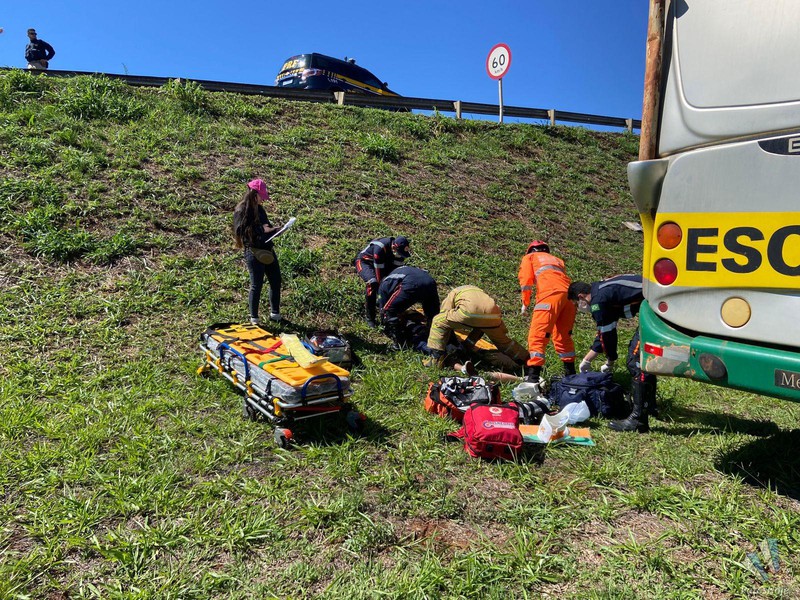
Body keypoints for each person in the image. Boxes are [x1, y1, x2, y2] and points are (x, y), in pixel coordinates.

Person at [567, 274, 657, 433]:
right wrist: (587, 360)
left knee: (636, 361)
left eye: (576, 304)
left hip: (657, 307)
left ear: (581, 297)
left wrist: (610, 360)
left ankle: (638, 418)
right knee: (643, 359)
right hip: (658, 303)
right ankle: (649, 406)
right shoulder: (601, 289)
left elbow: (608, 336)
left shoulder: (598, 302)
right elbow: (604, 332)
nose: (579, 308)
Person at [518, 240, 577, 391]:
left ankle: (533, 378)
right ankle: (571, 376)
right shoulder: (557, 260)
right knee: (563, 336)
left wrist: (525, 302)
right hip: (569, 298)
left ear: (530, 250)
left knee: (537, 336)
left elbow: (526, 281)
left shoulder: (530, 258)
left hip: (549, 296)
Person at [424, 285, 528, 368]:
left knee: (438, 321)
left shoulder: (453, 293)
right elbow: (480, 323)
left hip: (469, 313)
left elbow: (445, 316)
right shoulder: (477, 292)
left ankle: (436, 360)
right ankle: (527, 360)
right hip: (493, 314)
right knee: (504, 342)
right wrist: (468, 344)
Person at [233, 179, 283, 325]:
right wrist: (262, 229)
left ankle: (275, 314)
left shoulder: (260, 209)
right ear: (254, 194)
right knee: (257, 285)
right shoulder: (241, 210)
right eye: (262, 196)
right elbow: (239, 231)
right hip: (253, 251)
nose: (263, 200)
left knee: (276, 280)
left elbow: (267, 227)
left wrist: (276, 230)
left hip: (267, 248)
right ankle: (254, 318)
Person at [355, 235, 411, 328]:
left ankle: (383, 305)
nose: (401, 256)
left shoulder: (400, 253)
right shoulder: (380, 248)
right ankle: (370, 316)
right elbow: (379, 277)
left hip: (384, 263)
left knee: (393, 283)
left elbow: (396, 272)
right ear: (393, 247)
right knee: (373, 283)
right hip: (365, 262)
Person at [376, 265, 438, 346]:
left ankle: (399, 344)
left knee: (388, 311)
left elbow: (385, 311)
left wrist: (389, 326)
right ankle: (439, 339)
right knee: (434, 315)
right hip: (430, 282)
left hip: (411, 283)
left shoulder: (383, 286)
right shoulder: (400, 271)